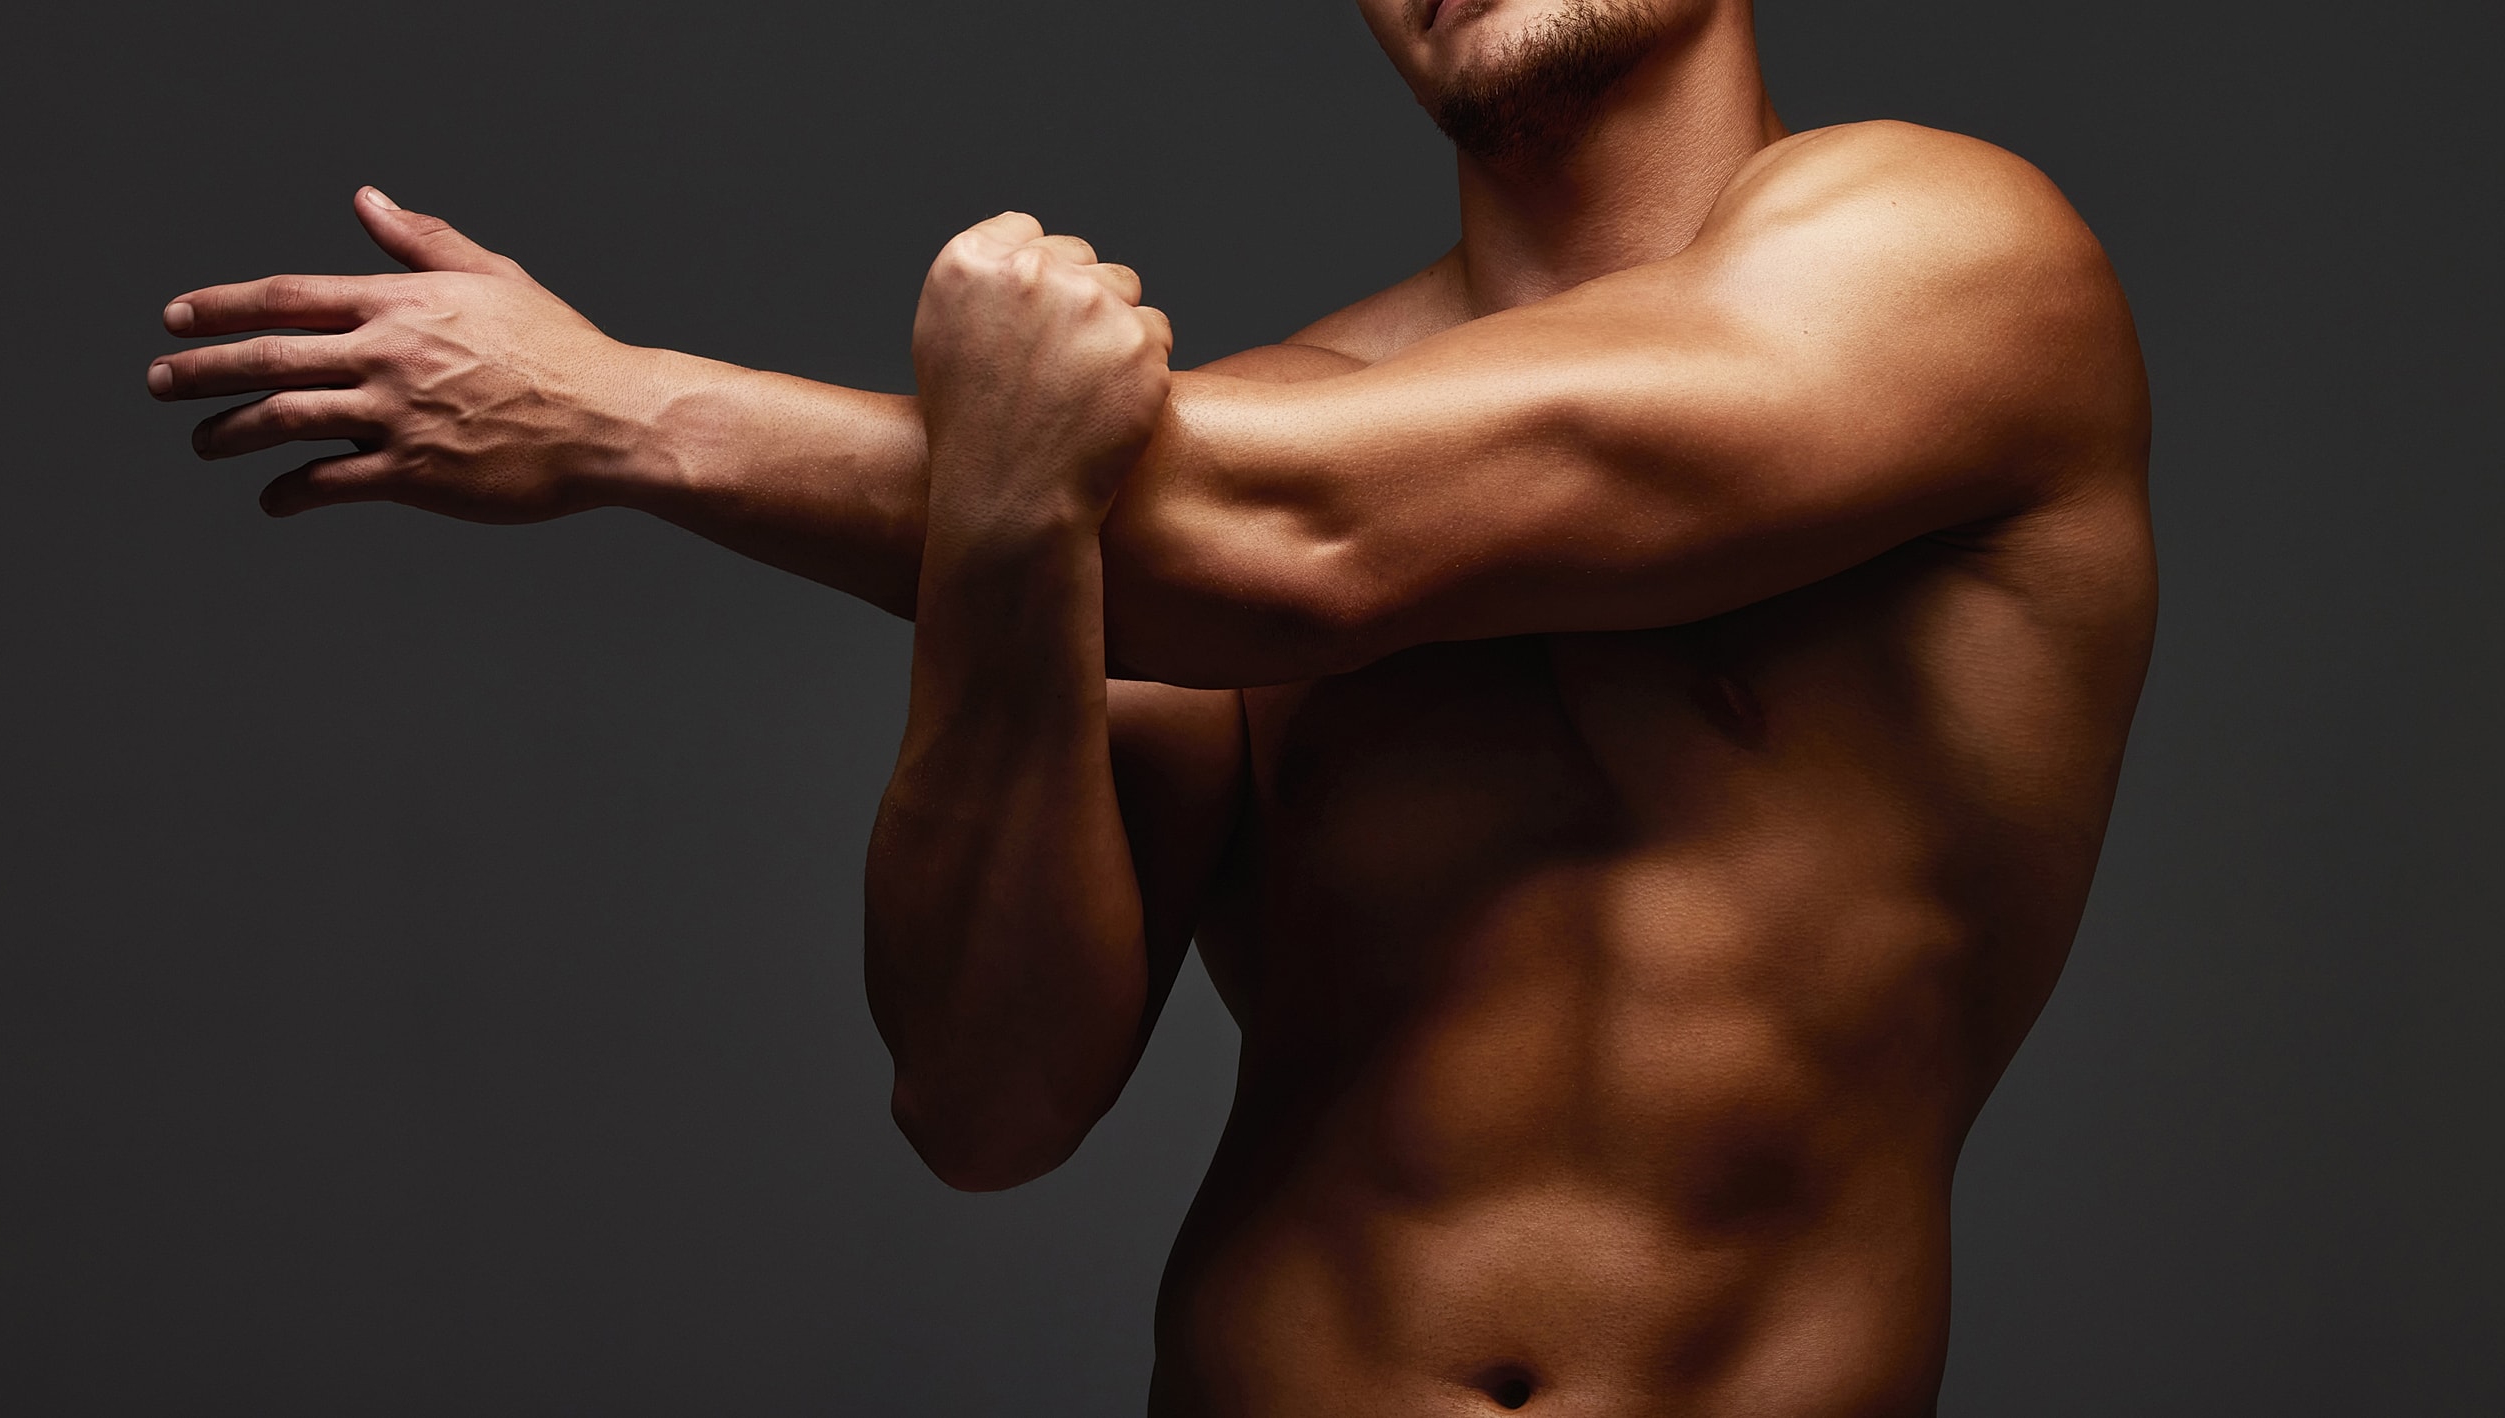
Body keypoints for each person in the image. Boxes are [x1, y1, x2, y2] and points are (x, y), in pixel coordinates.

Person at [145, 0, 2153, 1411]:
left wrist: (622, 412)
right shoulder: (1218, 437)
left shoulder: (1953, 255)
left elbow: (1322, 544)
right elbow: (987, 1099)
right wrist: (1008, 527)